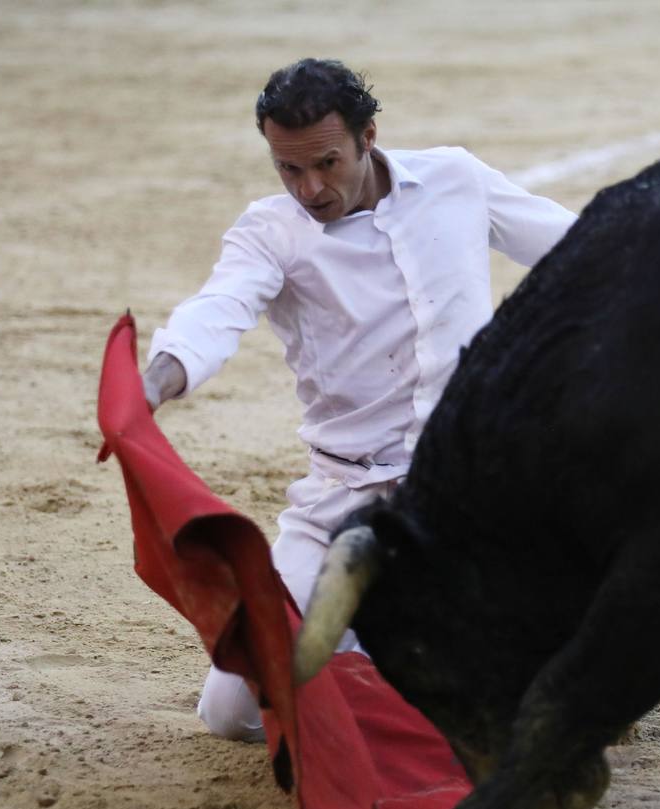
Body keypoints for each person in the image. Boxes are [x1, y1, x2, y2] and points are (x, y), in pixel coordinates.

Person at [143, 58, 576, 742]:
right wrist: (157, 378)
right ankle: (400, 658)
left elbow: (576, 246)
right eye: (288, 169)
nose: (310, 188)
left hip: (472, 493)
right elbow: (217, 310)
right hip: (345, 499)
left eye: (326, 163)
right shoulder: (270, 233)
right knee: (233, 710)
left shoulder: (455, 180)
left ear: (368, 137)